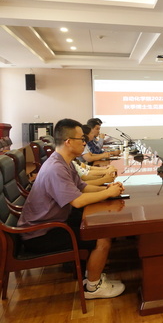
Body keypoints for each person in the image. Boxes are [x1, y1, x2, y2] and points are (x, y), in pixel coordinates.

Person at [17, 118, 126, 299]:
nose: (84, 142)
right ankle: (93, 287)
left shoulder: (63, 161)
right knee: (101, 236)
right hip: (40, 233)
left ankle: (91, 275)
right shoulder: (56, 167)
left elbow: (82, 187)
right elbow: (77, 201)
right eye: (81, 139)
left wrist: (108, 189)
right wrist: (107, 193)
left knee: (98, 222)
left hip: (53, 222)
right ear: (68, 142)